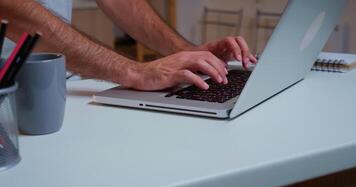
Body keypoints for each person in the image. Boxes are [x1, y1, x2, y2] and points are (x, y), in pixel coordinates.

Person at [0, 0, 257, 91]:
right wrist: (135, 71)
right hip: (6, 95)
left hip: (59, 87)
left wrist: (187, 51)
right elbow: (10, 8)